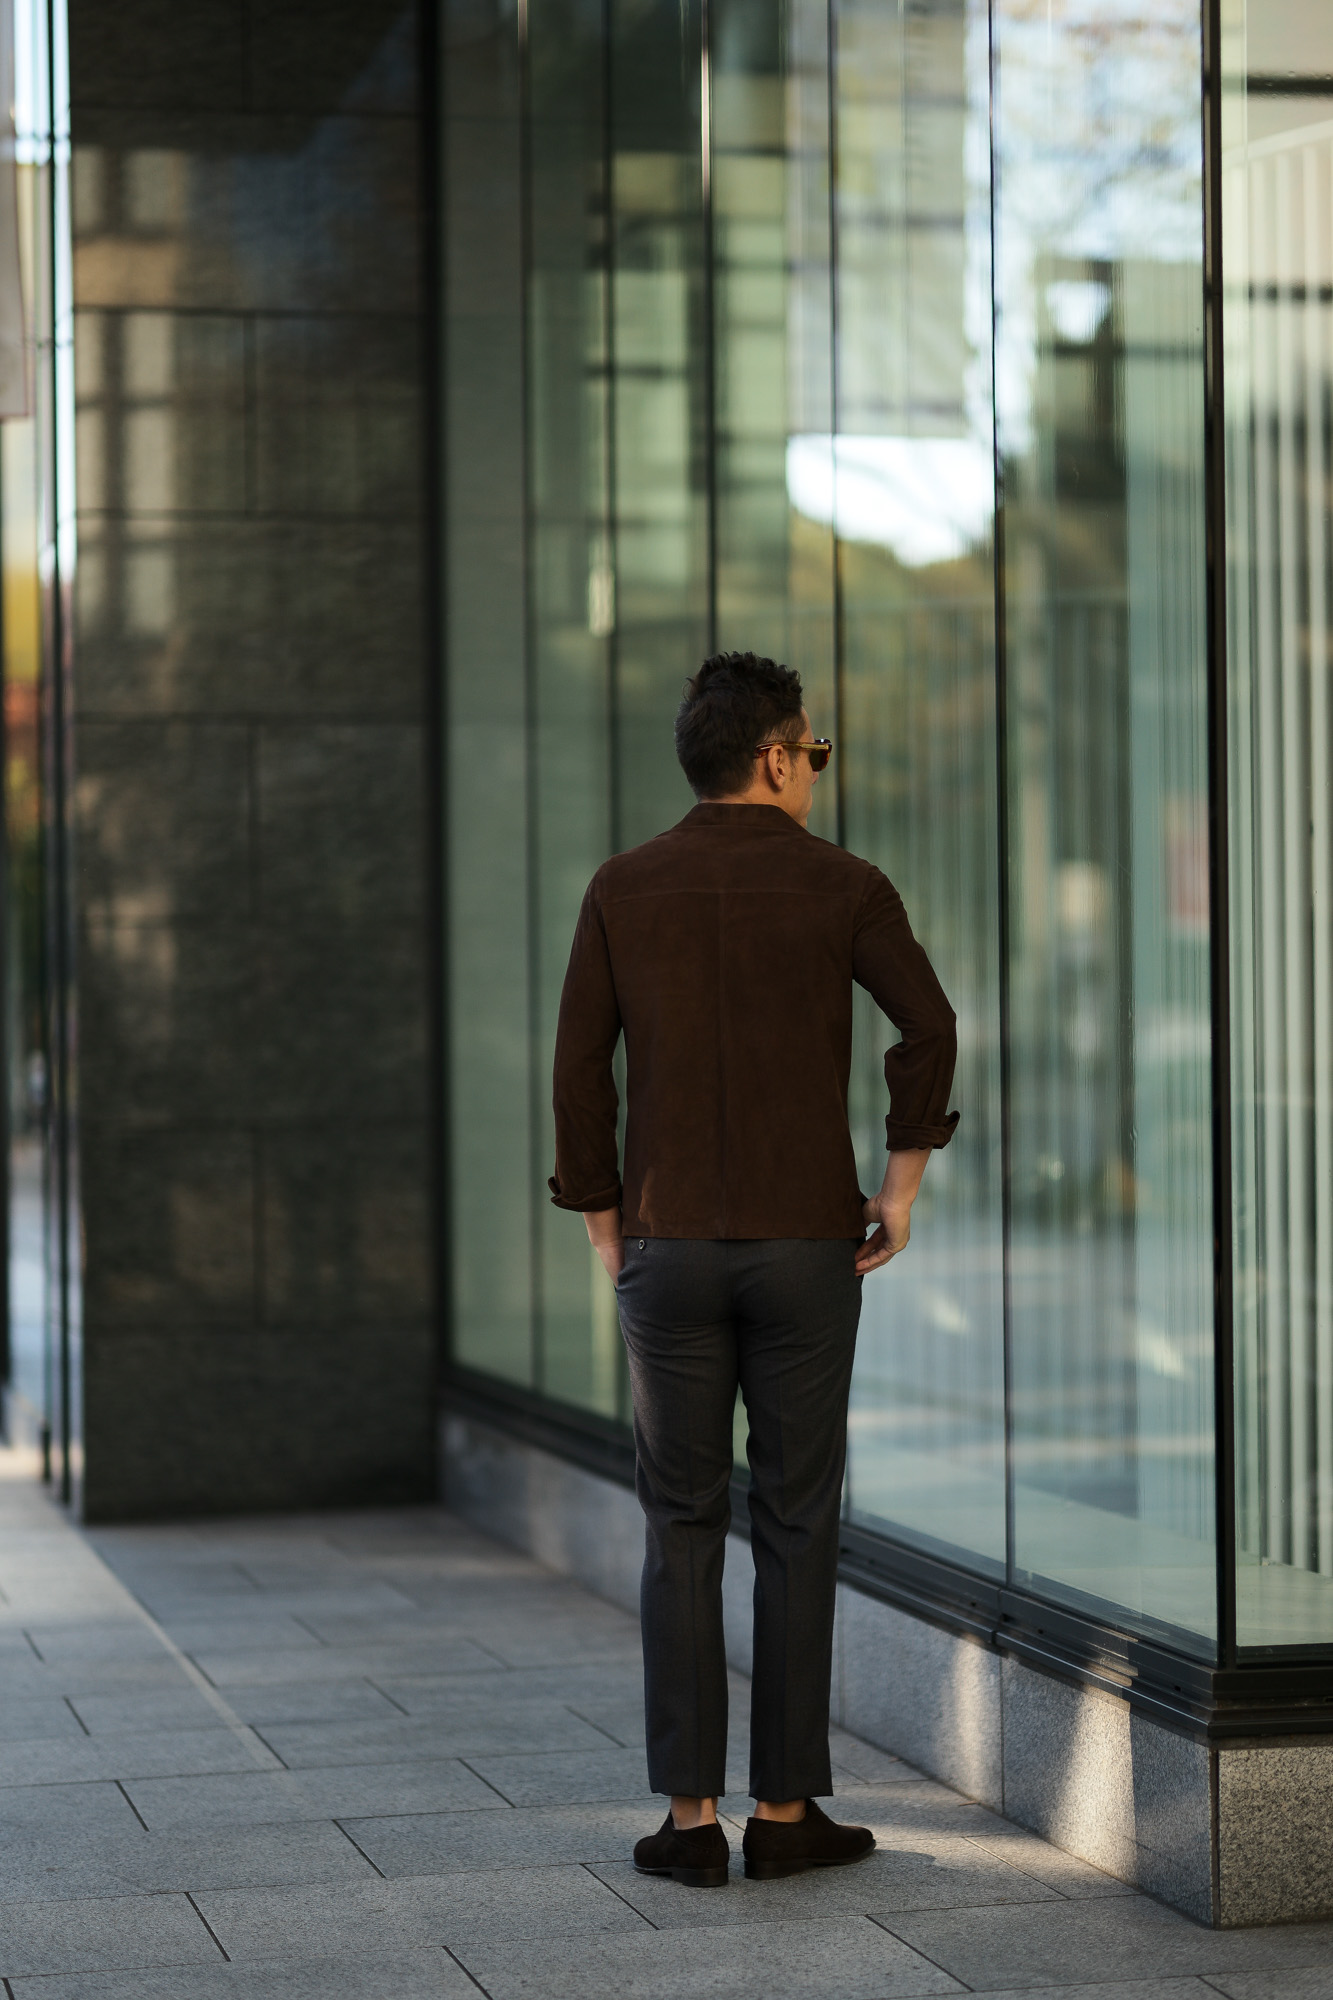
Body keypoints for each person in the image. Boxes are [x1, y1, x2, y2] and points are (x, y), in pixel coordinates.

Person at [548, 650, 958, 1886]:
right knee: (795, 1516)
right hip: (801, 1250)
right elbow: (928, 1028)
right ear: (775, 756)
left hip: (666, 1246)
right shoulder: (845, 885)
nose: (813, 772)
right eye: (812, 752)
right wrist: (897, 1189)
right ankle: (785, 1815)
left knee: (678, 1522)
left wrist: (609, 1227)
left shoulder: (622, 886)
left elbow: (579, 1072)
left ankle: (687, 1821)